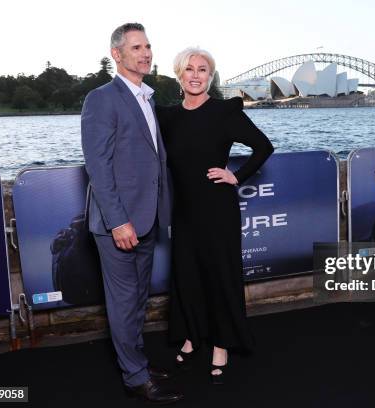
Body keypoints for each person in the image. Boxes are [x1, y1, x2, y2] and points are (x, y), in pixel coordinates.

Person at [156, 47, 274, 385]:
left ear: (210, 76)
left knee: (220, 276)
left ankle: (221, 344)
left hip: (218, 209)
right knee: (187, 276)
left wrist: (236, 175)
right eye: (189, 69)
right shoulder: (167, 116)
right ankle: (192, 335)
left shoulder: (225, 111)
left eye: (203, 69)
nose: (195, 75)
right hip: (184, 211)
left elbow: (263, 146)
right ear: (180, 74)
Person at [81, 23, 183, 404]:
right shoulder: (102, 99)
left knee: (138, 298)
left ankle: (135, 362)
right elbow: (98, 165)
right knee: (125, 302)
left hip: (148, 216)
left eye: (148, 46)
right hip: (120, 224)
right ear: (117, 55)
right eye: (136, 47)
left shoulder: (147, 98)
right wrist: (118, 220)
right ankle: (135, 378)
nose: (146, 53)